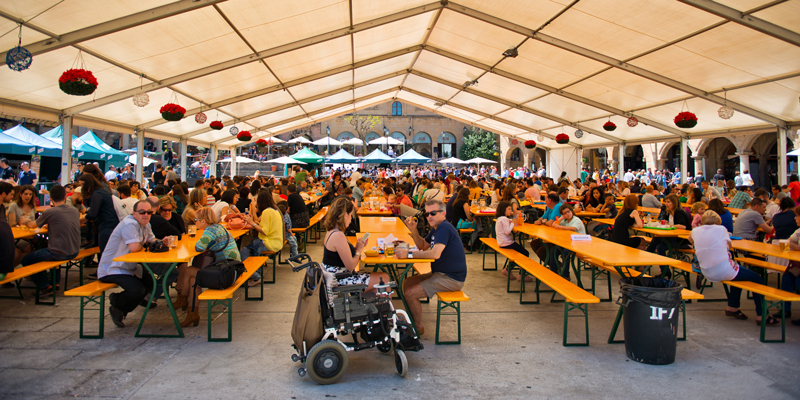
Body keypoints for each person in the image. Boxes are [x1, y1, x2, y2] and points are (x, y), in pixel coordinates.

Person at [690, 210, 777, 326]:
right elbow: (729, 245)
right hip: (723, 270)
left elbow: (691, 240)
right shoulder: (722, 230)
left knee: (738, 277)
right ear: (718, 221)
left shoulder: (695, 231)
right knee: (758, 280)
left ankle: (733, 307)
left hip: (706, 270)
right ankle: (762, 315)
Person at [397, 199, 467, 336]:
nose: (429, 216)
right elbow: (422, 245)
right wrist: (413, 230)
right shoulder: (437, 229)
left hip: (451, 278)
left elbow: (435, 254)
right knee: (408, 282)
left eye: (433, 213)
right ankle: (412, 320)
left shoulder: (444, 228)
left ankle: (417, 328)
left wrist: (409, 255)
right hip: (440, 273)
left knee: (410, 293)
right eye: (427, 214)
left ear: (443, 214)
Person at [97, 200, 158, 328]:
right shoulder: (129, 224)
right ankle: (117, 302)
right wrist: (147, 244)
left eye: (149, 212)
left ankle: (122, 308)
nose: (146, 214)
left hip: (129, 267)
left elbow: (152, 240)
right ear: (134, 213)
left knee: (150, 282)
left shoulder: (145, 223)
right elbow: (134, 247)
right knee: (137, 290)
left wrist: (163, 241)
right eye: (142, 212)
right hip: (112, 268)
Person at [177, 207, 241, 327]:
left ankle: (182, 299)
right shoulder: (218, 227)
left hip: (227, 273)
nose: (194, 222)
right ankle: (192, 313)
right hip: (233, 268)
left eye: (196, 219)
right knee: (193, 280)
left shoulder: (210, 231)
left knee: (188, 270)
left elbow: (199, 247)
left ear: (203, 221)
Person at [18, 185, 80, 295]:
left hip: (59, 252)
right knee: (49, 251)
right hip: (74, 250)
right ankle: (55, 283)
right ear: (65, 197)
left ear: (50, 198)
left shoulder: (50, 212)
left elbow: (33, 225)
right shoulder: (74, 210)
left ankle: (45, 286)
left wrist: (25, 221)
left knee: (26, 260)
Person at [320, 197, 389, 291]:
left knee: (376, 288)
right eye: (350, 215)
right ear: (345, 215)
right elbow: (351, 265)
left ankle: (379, 304)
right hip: (340, 280)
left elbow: (341, 254)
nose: (351, 218)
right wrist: (359, 250)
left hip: (338, 276)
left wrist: (357, 247)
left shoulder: (332, 231)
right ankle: (386, 305)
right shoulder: (338, 235)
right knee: (384, 278)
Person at [240, 190, 284, 286]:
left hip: (269, 242)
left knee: (243, 251)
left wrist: (252, 223)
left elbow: (264, 230)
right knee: (249, 247)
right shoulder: (273, 210)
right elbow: (257, 220)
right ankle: (255, 274)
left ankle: (256, 277)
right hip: (276, 241)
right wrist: (253, 207)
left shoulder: (267, 212)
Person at [495, 201, 529, 280]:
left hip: (501, 242)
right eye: (509, 209)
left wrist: (513, 218)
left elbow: (508, 222)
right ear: (504, 210)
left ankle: (509, 269)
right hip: (507, 243)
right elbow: (507, 231)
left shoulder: (500, 218)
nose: (511, 210)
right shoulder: (504, 219)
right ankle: (521, 274)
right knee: (525, 253)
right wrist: (513, 223)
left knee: (518, 252)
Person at [780, 207, 800, 325]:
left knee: (798, 281)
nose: (794, 218)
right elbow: (788, 241)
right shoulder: (798, 231)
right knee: (787, 278)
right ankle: (785, 309)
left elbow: (791, 244)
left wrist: (794, 246)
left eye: (797, 216)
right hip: (798, 265)